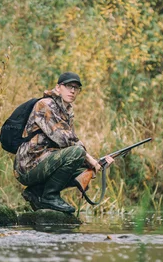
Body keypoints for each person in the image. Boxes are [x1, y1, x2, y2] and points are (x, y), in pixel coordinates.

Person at [13, 72, 114, 213]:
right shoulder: (46, 105)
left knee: (84, 169)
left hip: (44, 160)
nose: (72, 91)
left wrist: (98, 164)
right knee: (78, 154)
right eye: (68, 86)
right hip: (28, 165)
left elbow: (70, 144)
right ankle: (50, 196)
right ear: (58, 88)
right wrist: (90, 158)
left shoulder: (66, 110)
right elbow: (64, 140)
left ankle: (36, 192)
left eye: (76, 88)